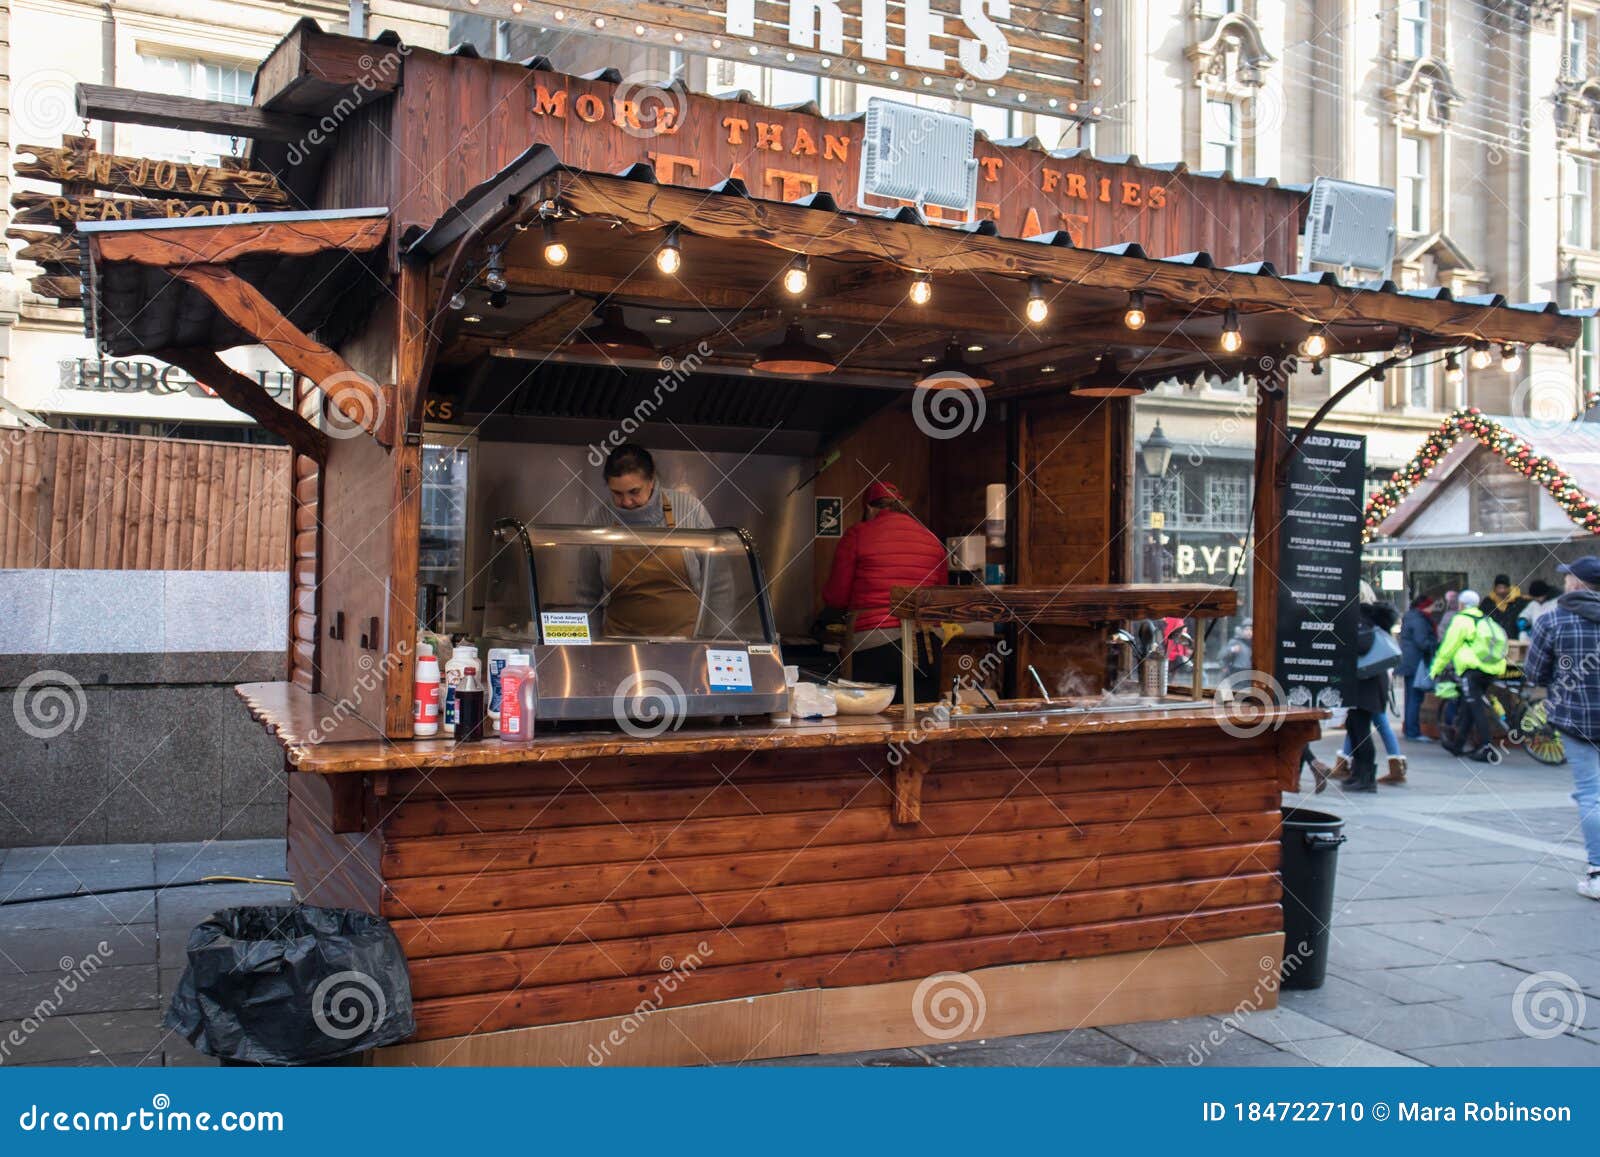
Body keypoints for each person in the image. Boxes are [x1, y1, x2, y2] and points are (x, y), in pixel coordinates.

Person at [575, 443, 731, 638]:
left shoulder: (688, 508)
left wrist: (716, 640)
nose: (626, 502)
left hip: (687, 645)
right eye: (617, 493)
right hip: (621, 646)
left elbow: (719, 584)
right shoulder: (597, 520)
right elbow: (587, 597)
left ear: (651, 481)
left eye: (634, 492)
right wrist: (587, 650)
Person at [821, 481, 948, 703]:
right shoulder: (931, 538)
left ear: (869, 508)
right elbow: (942, 596)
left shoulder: (857, 534)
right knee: (919, 721)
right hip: (927, 646)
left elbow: (836, 596)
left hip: (876, 644)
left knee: (873, 723)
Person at [1522, 557, 1600, 899]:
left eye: (1568, 577)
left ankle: (1598, 872)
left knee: (1590, 795)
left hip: (1576, 719)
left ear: (1576, 584)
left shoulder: (1552, 619)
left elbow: (1535, 674)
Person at [1429, 589, 1508, 761]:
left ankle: (1486, 748)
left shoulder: (1461, 620)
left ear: (1461, 605)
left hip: (1472, 670)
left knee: (1476, 707)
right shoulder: (1486, 619)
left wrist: (1436, 669)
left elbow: (1448, 648)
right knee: (1468, 706)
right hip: (1491, 670)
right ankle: (1458, 745)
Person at [1341, 597, 1400, 793]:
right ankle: (1358, 773)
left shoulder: (1364, 625)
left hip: (1368, 688)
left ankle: (1366, 779)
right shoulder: (1366, 623)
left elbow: (1361, 646)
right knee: (1354, 727)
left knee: (1361, 731)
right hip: (1366, 686)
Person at [1399, 593, 1437, 742]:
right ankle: (1413, 732)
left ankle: (1410, 730)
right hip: (1417, 663)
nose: (1433, 609)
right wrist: (1435, 645)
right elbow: (1422, 642)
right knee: (1415, 698)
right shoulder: (1420, 620)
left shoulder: (1411, 617)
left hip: (1410, 662)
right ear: (1424, 606)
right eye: (1431, 606)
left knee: (1410, 698)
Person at [1485, 574, 1525, 638]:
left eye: (1504, 588)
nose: (1502, 590)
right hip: (1494, 640)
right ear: (1494, 588)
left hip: (1514, 639)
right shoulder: (1488, 602)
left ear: (1509, 588)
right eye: (1499, 588)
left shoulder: (1518, 601)